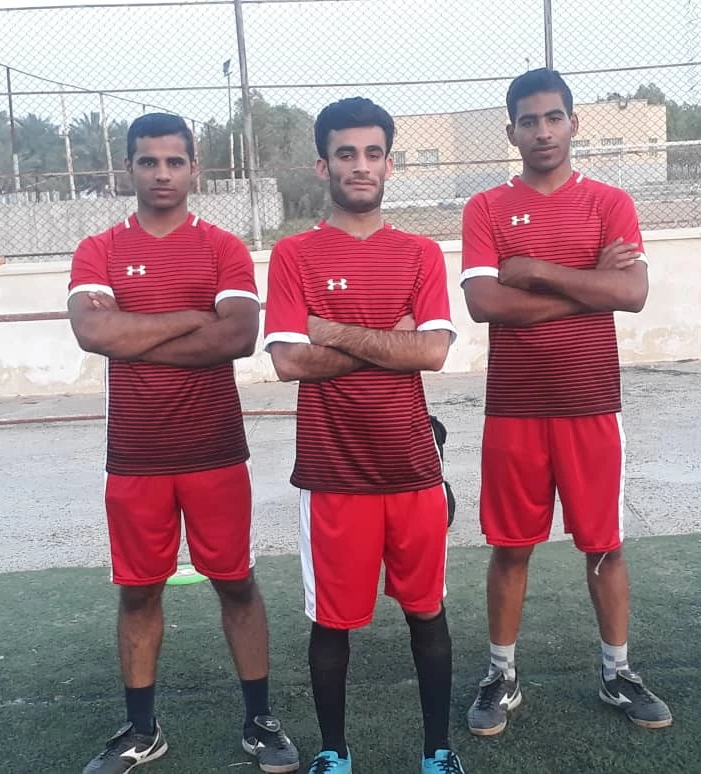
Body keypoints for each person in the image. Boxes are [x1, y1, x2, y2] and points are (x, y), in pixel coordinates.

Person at [67, 112, 299, 774]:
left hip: (215, 451)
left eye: (174, 161)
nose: (162, 173)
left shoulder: (223, 248)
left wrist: (135, 331)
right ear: (129, 168)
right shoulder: (99, 248)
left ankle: (260, 720)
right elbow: (93, 333)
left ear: (195, 168)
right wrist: (193, 318)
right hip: (135, 456)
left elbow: (238, 337)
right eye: (149, 161)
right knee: (138, 593)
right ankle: (142, 730)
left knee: (236, 584)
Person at [460, 68, 673, 735]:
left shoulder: (609, 203)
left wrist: (537, 271)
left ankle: (617, 672)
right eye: (529, 121)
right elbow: (483, 302)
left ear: (574, 123)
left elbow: (632, 293)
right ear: (512, 131)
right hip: (514, 409)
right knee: (510, 548)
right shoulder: (486, 208)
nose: (543, 131)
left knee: (604, 545)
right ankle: (501, 673)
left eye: (554, 118)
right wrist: (588, 286)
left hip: (591, 405)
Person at [263, 97, 466, 774]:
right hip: (332, 474)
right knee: (331, 624)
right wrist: (390, 340)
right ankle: (334, 753)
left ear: (389, 163)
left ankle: (437, 752)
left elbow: (432, 352)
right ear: (323, 164)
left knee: (427, 614)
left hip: (413, 470)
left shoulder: (419, 254)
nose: (360, 165)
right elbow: (289, 362)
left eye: (373, 153)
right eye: (346, 153)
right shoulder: (293, 255)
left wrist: (331, 330)